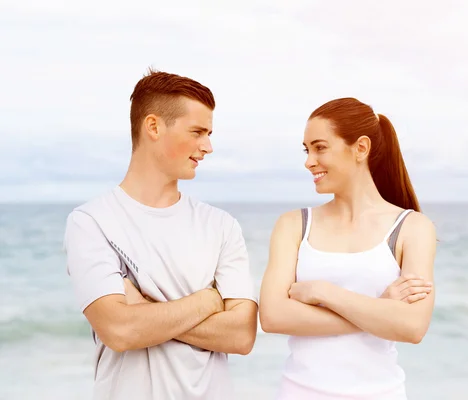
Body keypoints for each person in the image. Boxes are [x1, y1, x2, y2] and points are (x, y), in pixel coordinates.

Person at [63, 69, 258, 400]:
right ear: (153, 126)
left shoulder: (221, 226)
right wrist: (208, 300)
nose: (208, 146)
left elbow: (241, 335)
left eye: (209, 133)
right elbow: (120, 331)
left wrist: (146, 309)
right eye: (197, 132)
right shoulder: (91, 222)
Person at [259, 97, 437, 400]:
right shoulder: (294, 225)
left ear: (361, 148)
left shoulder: (412, 228)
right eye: (307, 150)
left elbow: (412, 327)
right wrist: (379, 308)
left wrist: (323, 293)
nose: (308, 160)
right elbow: (273, 316)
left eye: (320, 147)